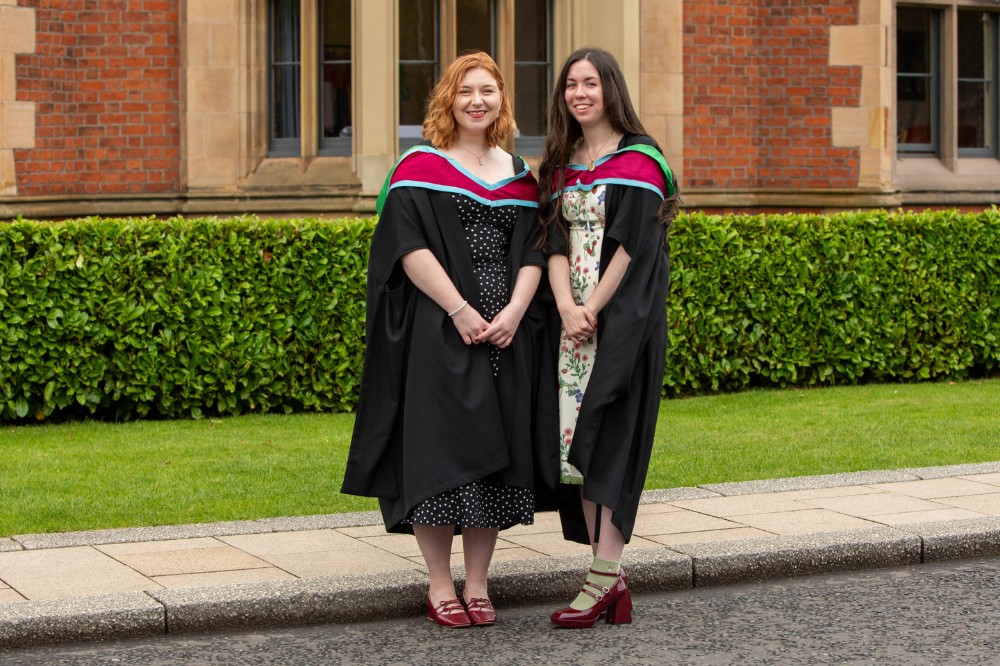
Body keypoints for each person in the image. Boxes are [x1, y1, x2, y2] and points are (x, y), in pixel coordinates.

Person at [340, 52, 544, 629]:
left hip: (505, 334)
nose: (476, 101)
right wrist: (458, 308)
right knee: (438, 452)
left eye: (488, 90)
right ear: (447, 101)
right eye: (465, 92)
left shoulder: (519, 173)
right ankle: (438, 584)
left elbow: (536, 249)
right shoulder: (420, 166)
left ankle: (478, 584)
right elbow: (406, 246)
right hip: (440, 331)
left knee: (495, 457)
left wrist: (514, 311)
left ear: (502, 99)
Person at [537, 46, 680, 629]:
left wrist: (591, 306)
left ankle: (602, 577)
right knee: (581, 441)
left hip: (620, 322)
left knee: (612, 432)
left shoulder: (640, 161)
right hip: (571, 327)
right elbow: (549, 242)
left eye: (590, 83)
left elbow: (632, 246)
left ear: (610, 88)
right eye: (570, 84)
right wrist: (567, 307)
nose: (579, 93)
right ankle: (609, 578)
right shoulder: (560, 162)